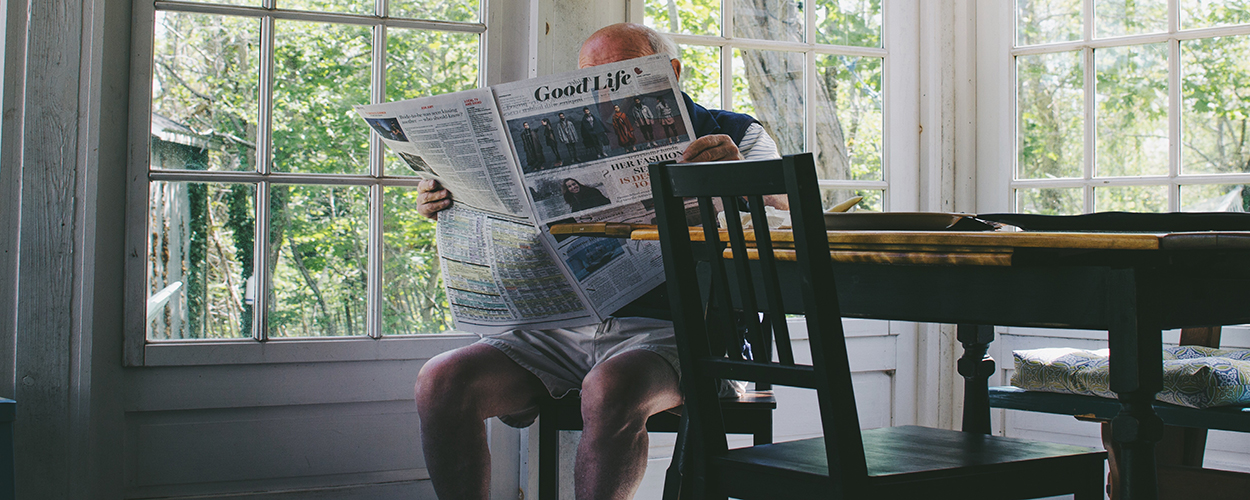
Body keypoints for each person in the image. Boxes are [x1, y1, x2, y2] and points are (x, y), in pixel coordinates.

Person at [413, 22, 781, 500]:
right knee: (440, 381)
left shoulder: (734, 134)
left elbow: (788, 222)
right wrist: (444, 197)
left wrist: (737, 179)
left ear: (670, 72)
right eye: (592, 79)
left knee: (609, 388)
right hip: (557, 329)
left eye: (621, 73)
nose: (604, 92)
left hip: (676, 333)